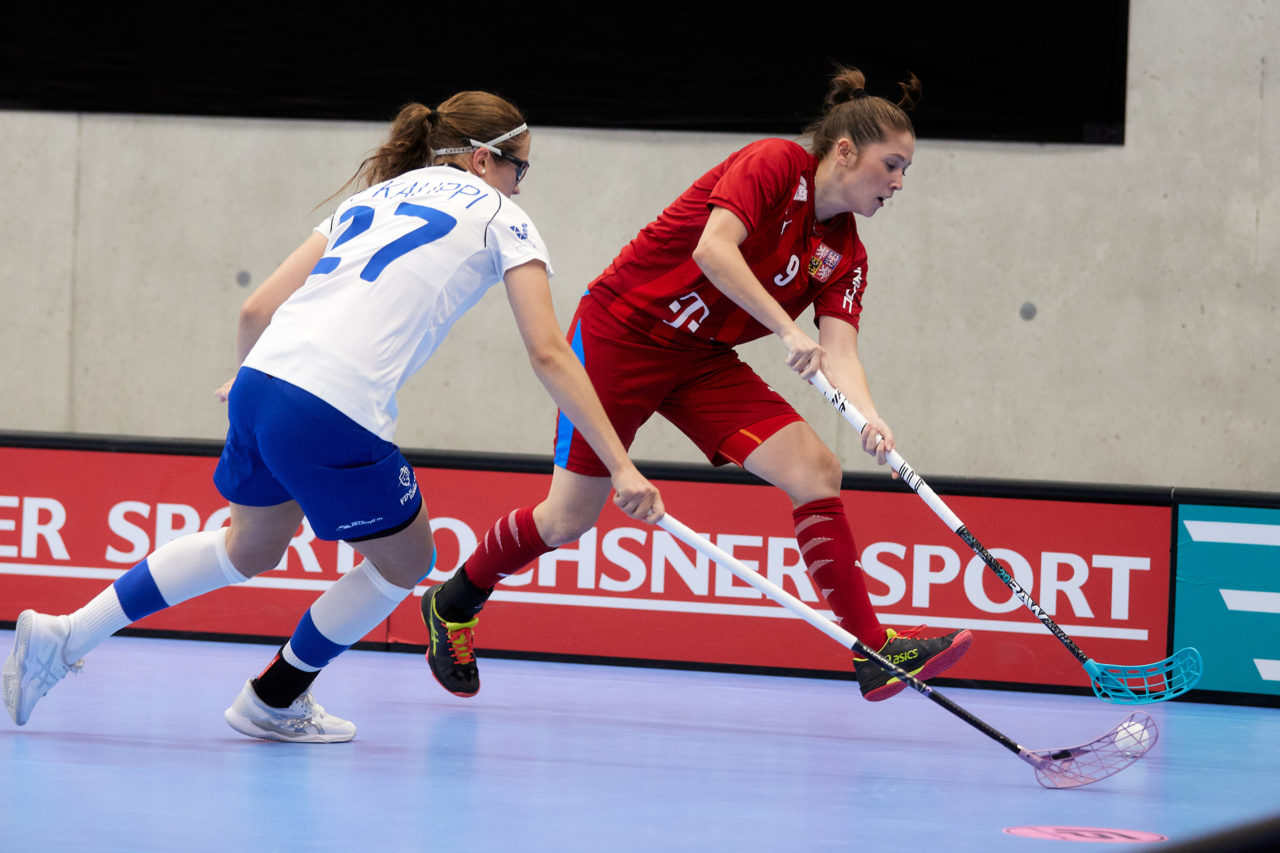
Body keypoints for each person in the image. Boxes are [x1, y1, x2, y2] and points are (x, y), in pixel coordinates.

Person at [2, 91, 663, 742]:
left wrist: (254, 379)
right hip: (333, 402)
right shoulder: (502, 217)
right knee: (408, 561)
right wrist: (620, 465)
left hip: (261, 381)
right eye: (521, 167)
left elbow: (256, 309)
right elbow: (549, 352)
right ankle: (274, 698)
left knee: (248, 546)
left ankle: (67, 634)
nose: (520, 185)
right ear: (483, 160)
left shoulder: (372, 198)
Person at [423, 67, 972, 703]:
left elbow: (840, 351)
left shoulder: (846, 254)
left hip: (700, 359)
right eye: (892, 165)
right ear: (845, 151)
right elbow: (714, 250)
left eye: (906, 170)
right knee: (568, 518)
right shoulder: (775, 164)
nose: (899, 182)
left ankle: (873, 650)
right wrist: (786, 330)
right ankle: (454, 601)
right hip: (621, 335)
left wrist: (869, 416)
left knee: (817, 470)